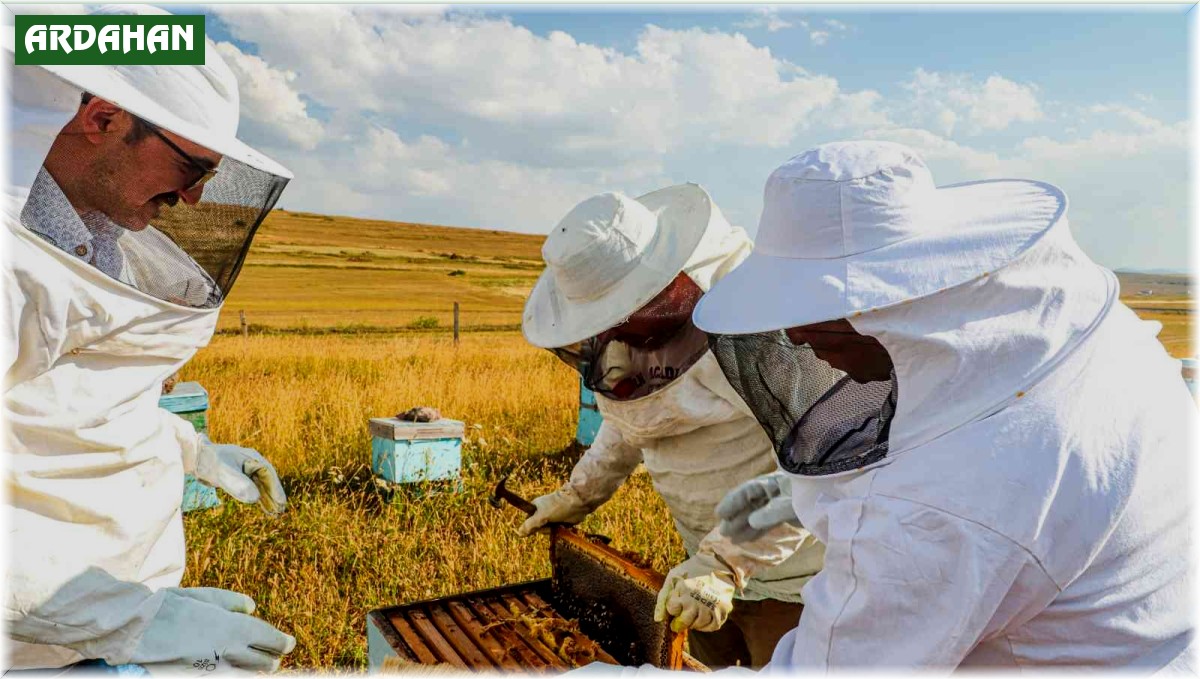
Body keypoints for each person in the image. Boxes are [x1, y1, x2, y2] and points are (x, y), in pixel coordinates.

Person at [696, 140, 1194, 670]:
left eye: (816, 308)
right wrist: (803, 490)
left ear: (898, 303)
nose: (794, 333)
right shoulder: (1082, 337)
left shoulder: (934, 513)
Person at [4, 6, 296, 673]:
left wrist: (186, 445)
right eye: (192, 166)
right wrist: (128, 618)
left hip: (107, 624)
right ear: (102, 119)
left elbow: (61, 402)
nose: (193, 199)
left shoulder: (96, 233)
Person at [517, 185, 838, 669]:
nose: (623, 345)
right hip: (697, 574)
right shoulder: (628, 349)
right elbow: (631, 423)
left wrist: (726, 563)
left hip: (794, 583)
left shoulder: (761, 335)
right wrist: (577, 494)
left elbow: (818, 463)